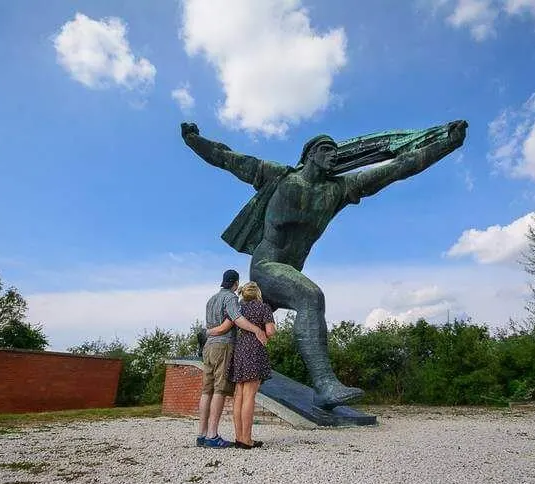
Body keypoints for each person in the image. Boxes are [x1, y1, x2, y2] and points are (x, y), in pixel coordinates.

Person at [181, 120, 467, 408]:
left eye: (335, 151)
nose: (333, 155)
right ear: (310, 155)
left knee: (242, 322)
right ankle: (325, 385)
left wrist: (446, 143)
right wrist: (194, 139)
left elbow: (398, 168)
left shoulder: (340, 189)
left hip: (289, 272)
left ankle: (206, 338)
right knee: (310, 297)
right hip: (267, 265)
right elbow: (226, 158)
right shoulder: (279, 176)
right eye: (326, 149)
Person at [196, 269, 267, 448]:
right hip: (223, 346)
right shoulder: (231, 298)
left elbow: (212, 327)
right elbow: (236, 320)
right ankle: (212, 436)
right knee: (219, 390)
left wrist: (208, 332)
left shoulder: (211, 299)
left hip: (208, 347)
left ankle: (201, 434)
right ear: (235, 283)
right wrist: (257, 329)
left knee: (206, 391)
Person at [214, 281, 276, 449]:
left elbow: (225, 327)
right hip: (254, 351)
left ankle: (239, 437)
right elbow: (270, 331)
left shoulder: (238, 308)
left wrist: (210, 332)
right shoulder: (263, 308)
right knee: (249, 396)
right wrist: (265, 332)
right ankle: (247, 440)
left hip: (239, 350)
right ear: (257, 294)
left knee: (239, 395)